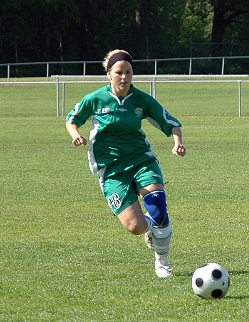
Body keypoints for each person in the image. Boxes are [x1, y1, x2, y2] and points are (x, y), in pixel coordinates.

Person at [65, 49, 185, 278]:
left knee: (158, 207)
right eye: (119, 72)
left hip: (141, 160)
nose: (124, 77)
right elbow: (72, 119)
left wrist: (178, 142)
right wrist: (75, 134)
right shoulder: (95, 99)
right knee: (135, 226)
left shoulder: (141, 99)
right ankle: (151, 229)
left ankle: (162, 262)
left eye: (128, 72)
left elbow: (170, 122)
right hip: (111, 169)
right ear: (109, 74)